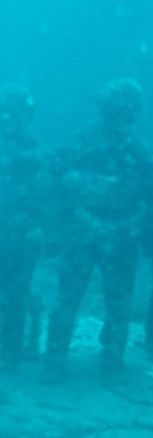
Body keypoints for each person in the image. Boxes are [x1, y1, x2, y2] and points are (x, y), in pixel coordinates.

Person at [45, 78, 151, 377]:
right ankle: (59, 360)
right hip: (92, 232)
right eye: (125, 109)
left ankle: (104, 361)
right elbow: (55, 184)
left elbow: (149, 195)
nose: (128, 115)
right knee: (76, 297)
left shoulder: (137, 153)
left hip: (115, 233)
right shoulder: (82, 145)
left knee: (114, 300)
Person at [0, 84, 48, 369]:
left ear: (25, 116)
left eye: (14, 114)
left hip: (22, 236)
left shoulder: (35, 152)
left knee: (18, 293)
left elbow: (44, 197)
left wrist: (36, 228)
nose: (8, 119)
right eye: (4, 113)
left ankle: (14, 350)